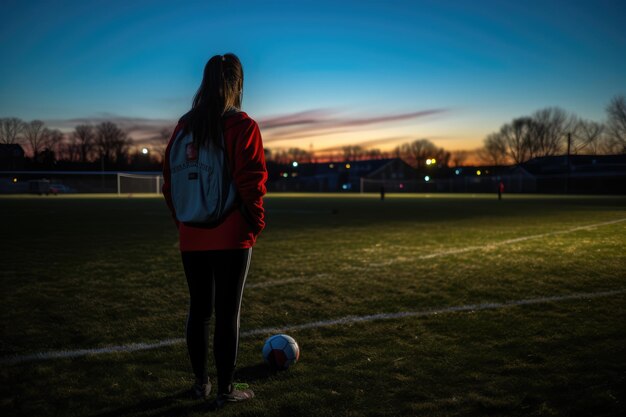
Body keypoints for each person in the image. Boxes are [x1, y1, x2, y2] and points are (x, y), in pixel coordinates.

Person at [162, 53, 267, 407]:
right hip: (231, 232)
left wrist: (185, 222)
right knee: (227, 313)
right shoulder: (241, 125)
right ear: (237, 83)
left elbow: (168, 183)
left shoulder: (184, 126)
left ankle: (199, 384)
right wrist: (255, 221)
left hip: (191, 232)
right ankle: (225, 390)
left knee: (199, 310)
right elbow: (251, 181)